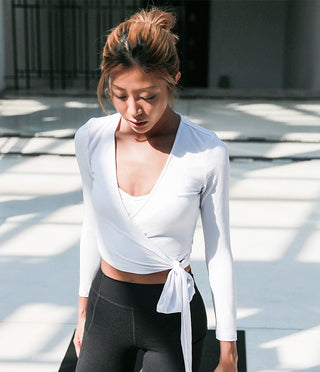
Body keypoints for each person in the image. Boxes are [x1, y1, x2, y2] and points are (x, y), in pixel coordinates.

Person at [73, 7, 237, 372]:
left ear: (173, 79)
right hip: (107, 306)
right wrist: (82, 308)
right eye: (120, 95)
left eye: (148, 96)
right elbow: (91, 225)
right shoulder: (90, 138)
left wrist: (228, 350)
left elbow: (219, 251)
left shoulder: (206, 152)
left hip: (172, 313)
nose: (133, 110)